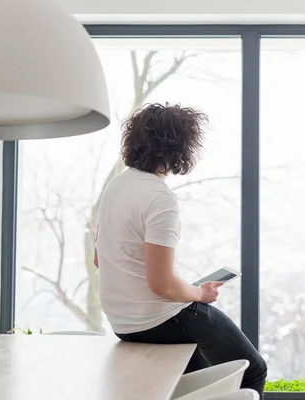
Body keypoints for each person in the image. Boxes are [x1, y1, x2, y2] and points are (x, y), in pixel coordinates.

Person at [94, 103, 267, 396]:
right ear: (180, 148)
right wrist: (201, 294)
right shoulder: (160, 198)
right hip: (161, 320)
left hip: (122, 323)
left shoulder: (116, 186)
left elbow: (101, 259)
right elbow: (161, 285)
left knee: (199, 385)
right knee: (253, 370)